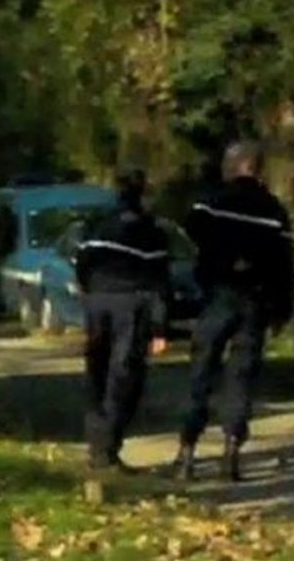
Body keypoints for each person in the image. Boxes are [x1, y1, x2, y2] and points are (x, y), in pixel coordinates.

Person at [173, 140, 294, 482]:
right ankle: (231, 454)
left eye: (228, 163)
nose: (224, 169)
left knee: (201, 375)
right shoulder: (274, 212)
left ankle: (187, 453)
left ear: (239, 165)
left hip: (219, 296)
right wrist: (282, 309)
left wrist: (217, 262)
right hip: (255, 303)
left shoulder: (211, 204)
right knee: (240, 379)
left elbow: (190, 233)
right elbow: (286, 264)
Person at [72, 167, 171, 472]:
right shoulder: (151, 232)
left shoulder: (95, 225)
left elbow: (81, 265)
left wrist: (89, 295)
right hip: (132, 306)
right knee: (124, 377)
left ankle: (96, 445)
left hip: (97, 302)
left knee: (96, 372)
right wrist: (159, 328)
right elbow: (159, 282)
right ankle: (108, 448)